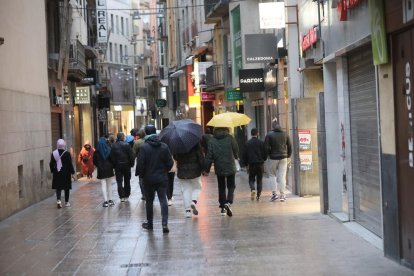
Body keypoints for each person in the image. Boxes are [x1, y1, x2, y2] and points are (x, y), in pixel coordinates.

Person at [136, 125, 174, 233]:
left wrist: (142, 176)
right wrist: (164, 171)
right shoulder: (164, 146)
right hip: (162, 178)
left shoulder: (144, 147)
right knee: (163, 200)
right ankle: (164, 223)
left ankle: (150, 223)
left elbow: (140, 165)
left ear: (146, 134)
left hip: (148, 179)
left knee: (149, 201)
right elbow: (170, 163)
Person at [204, 127, 239, 217]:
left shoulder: (212, 140)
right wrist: (236, 156)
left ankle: (223, 208)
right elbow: (236, 149)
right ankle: (229, 202)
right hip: (230, 165)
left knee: (221, 187)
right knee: (231, 185)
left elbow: (209, 156)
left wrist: (206, 169)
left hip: (219, 166)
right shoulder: (230, 138)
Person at [264, 118, 292, 202]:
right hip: (284, 157)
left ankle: (274, 194)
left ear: (273, 127)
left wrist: (268, 155)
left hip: (273, 157)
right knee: (282, 176)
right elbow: (290, 146)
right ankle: (282, 195)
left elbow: (266, 147)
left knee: (272, 175)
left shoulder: (269, 135)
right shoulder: (285, 134)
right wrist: (288, 156)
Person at [174, 143, 204, 218]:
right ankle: (193, 201)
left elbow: (175, 156)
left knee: (185, 190)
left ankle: (187, 211)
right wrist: (203, 168)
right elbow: (200, 157)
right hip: (195, 170)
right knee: (197, 187)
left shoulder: (178, 144)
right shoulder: (195, 143)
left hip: (182, 171)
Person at [242, 128, 267, 201]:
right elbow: (265, 153)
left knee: (251, 179)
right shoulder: (261, 142)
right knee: (259, 180)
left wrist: (246, 164)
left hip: (251, 164)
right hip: (260, 164)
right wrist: (263, 159)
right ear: (257, 133)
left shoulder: (247, 143)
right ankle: (258, 195)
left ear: (251, 134)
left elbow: (244, 155)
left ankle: (253, 189)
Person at [50, 139, 75, 208]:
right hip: (66, 174)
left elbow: (51, 164)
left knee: (58, 188)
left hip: (57, 173)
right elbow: (70, 164)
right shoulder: (67, 153)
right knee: (66, 188)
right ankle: (66, 202)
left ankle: (59, 200)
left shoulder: (54, 153)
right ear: (64, 145)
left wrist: (52, 171)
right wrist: (72, 172)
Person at [110, 132, 135, 202]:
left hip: (118, 166)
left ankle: (121, 196)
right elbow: (131, 156)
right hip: (127, 165)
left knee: (119, 181)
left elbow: (112, 157)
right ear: (122, 137)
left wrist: (114, 165)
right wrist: (131, 164)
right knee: (127, 181)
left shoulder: (114, 145)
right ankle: (127, 195)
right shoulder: (127, 145)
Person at [93, 137, 115, 207]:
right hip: (109, 169)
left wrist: (99, 165)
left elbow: (94, 161)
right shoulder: (109, 150)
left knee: (103, 185)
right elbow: (112, 159)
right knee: (109, 185)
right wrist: (112, 166)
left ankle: (105, 202)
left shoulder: (96, 152)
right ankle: (111, 200)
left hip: (101, 169)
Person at [132, 128, 147, 200]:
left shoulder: (137, 142)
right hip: (149, 161)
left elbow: (133, 154)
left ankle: (144, 194)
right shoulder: (147, 141)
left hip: (140, 162)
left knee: (141, 179)